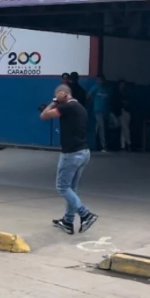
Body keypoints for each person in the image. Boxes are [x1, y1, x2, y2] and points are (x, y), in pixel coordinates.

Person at [40, 84, 99, 235]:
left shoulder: (68, 107)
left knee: (62, 187)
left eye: (58, 94)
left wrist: (53, 102)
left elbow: (44, 116)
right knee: (72, 189)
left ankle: (85, 214)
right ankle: (68, 221)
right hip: (84, 152)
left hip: (71, 154)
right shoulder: (80, 108)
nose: (56, 97)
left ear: (63, 93)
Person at [87, 74, 111, 152]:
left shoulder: (107, 89)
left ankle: (99, 145)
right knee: (101, 128)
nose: (99, 81)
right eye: (98, 80)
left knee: (102, 128)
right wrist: (93, 103)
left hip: (106, 111)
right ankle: (103, 146)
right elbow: (88, 96)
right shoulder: (95, 88)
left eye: (101, 80)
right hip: (98, 111)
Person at [112, 80, 132, 151]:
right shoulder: (118, 95)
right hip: (121, 112)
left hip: (126, 112)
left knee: (124, 129)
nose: (122, 86)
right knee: (125, 128)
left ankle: (123, 145)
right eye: (121, 85)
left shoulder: (127, 94)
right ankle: (128, 143)